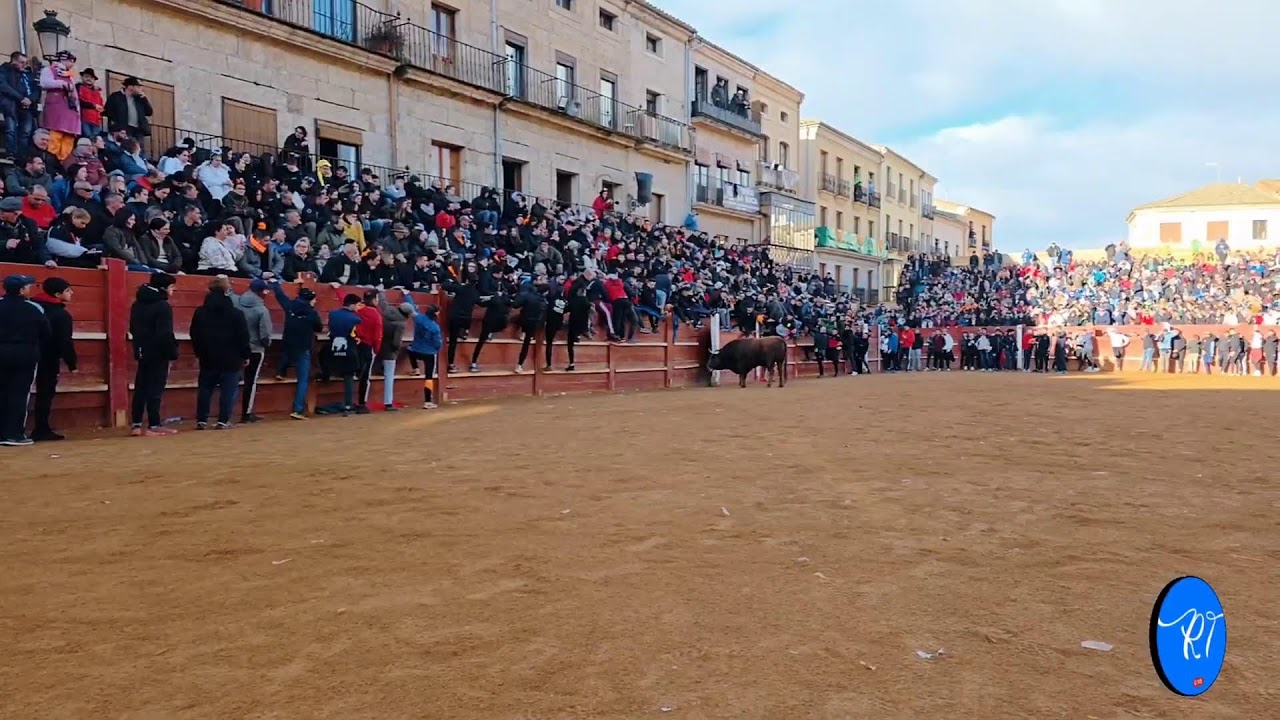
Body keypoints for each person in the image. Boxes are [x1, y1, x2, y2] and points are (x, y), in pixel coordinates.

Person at [190, 276, 251, 430]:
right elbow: (243, 336)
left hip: (208, 356)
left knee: (205, 389)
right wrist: (245, 355)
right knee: (228, 390)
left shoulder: (200, 312)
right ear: (226, 291)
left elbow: (194, 334)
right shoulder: (235, 313)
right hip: (231, 357)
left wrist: (199, 352)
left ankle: (202, 420)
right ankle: (223, 420)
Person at [0, 274, 50, 446]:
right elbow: (46, 333)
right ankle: (14, 433)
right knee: (19, 394)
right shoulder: (32, 309)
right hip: (25, 354)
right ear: (21, 290)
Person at [128, 273, 179, 437]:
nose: (173, 290)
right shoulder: (162, 306)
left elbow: (133, 329)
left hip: (142, 349)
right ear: (164, 288)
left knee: (141, 387)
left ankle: (136, 424)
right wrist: (172, 351)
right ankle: (154, 424)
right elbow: (164, 333)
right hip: (159, 352)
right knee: (155, 388)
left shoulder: (137, 304)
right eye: (172, 287)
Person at [30, 277, 77, 441]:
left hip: (27, 355)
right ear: (57, 294)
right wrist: (72, 363)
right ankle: (41, 428)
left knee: (17, 392)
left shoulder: (32, 307)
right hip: (48, 358)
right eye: (67, 290)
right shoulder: (61, 315)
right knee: (45, 393)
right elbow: (64, 342)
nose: (71, 293)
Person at [269, 281, 322, 420]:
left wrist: (274, 284)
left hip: (288, 342)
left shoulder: (290, 306)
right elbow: (319, 327)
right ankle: (298, 409)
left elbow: (280, 296)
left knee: (286, 351)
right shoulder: (311, 313)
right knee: (303, 379)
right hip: (303, 346)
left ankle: (280, 371)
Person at [235, 277, 272, 423]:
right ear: (262, 292)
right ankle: (246, 413)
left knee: (231, 378)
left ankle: (225, 413)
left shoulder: (237, 304)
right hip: (255, 348)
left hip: (236, 347)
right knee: (251, 381)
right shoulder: (261, 309)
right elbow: (265, 334)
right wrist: (265, 344)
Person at [326, 292, 363, 416]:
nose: (358, 308)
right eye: (358, 305)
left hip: (333, 350)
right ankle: (348, 405)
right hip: (349, 350)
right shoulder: (355, 319)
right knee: (349, 376)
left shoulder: (333, 314)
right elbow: (354, 334)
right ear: (352, 305)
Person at [403, 295, 442, 409]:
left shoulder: (418, 318)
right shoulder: (435, 327)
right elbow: (437, 343)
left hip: (416, 349)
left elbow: (412, 307)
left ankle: (415, 368)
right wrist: (436, 349)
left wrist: (407, 295)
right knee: (429, 377)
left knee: (409, 349)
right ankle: (427, 401)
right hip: (429, 353)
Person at [377, 290, 413, 411]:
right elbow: (396, 342)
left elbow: (382, 302)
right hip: (389, 352)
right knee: (389, 376)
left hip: (377, 345)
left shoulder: (387, 310)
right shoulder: (400, 324)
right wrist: (397, 349)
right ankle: (388, 402)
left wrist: (380, 291)